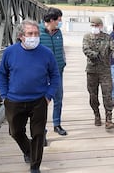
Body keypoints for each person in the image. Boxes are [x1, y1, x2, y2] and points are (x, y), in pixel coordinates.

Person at [0, 19, 60, 173]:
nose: (34, 37)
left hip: (39, 100)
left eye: (36, 33)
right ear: (21, 36)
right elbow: (2, 75)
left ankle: (35, 166)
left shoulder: (46, 53)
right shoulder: (10, 52)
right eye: (30, 33)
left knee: (38, 134)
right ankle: (28, 150)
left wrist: (49, 95)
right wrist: (4, 96)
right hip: (14, 100)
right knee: (15, 131)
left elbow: (55, 75)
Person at [82, 16, 114, 129]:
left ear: (101, 26)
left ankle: (109, 118)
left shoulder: (107, 38)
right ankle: (96, 114)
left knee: (107, 94)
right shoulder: (87, 37)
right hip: (92, 70)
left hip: (105, 71)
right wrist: (95, 55)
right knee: (93, 95)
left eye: (96, 25)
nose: (94, 27)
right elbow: (85, 49)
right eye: (92, 25)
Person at [39, 7, 67, 139]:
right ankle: (41, 129)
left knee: (58, 98)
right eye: (59, 20)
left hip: (57, 72)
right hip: (42, 74)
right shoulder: (37, 32)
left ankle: (57, 124)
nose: (60, 23)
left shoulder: (58, 32)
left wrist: (63, 63)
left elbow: (61, 49)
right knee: (42, 102)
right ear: (51, 20)